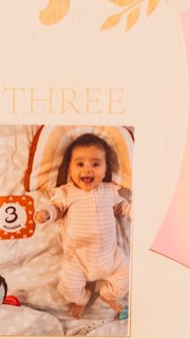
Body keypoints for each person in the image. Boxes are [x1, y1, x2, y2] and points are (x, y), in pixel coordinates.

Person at [35, 132, 131, 319]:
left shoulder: (109, 191)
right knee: (69, 287)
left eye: (95, 164)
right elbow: (56, 207)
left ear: (105, 169)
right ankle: (81, 299)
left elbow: (121, 206)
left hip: (110, 255)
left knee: (127, 276)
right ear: (69, 168)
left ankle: (107, 294)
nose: (87, 170)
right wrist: (47, 213)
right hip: (77, 258)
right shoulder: (67, 193)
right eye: (80, 164)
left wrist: (133, 211)